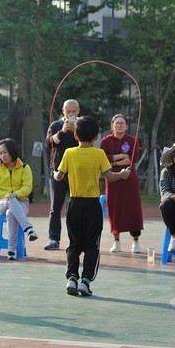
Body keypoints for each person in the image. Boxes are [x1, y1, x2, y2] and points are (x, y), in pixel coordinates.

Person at [53, 116, 130, 297]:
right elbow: (109, 177)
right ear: (96, 137)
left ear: (76, 136)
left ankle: (72, 277)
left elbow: (60, 176)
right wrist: (122, 174)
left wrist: (55, 173)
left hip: (74, 204)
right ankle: (85, 281)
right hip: (92, 205)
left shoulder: (69, 153)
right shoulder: (99, 154)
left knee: (74, 244)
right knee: (91, 245)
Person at [0, 138, 38, 260]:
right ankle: (28, 228)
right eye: (0, 153)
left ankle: (11, 250)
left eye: (5, 152)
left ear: (12, 151)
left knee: (11, 213)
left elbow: (28, 187)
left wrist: (15, 194)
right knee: (10, 201)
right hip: (0, 203)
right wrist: (8, 195)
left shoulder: (25, 168)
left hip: (22, 203)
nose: (2, 156)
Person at [100, 114, 144, 253]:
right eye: (117, 123)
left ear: (126, 126)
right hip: (112, 178)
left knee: (133, 208)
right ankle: (116, 241)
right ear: (112, 126)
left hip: (129, 179)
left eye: (122, 123)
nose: (119, 125)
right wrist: (118, 157)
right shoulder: (106, 141)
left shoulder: (132, 140)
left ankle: (135, 241)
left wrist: (112, 161)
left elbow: (131, 159)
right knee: (114, 207)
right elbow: (102, 158)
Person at [44, 99, 81, 250]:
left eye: (74, 111)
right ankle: (53, 238)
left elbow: (89, 142)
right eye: (68, 111)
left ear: (78, 111)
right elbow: (49, 143)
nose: (71, 114)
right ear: (63, 111)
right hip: (58, 172)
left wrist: (76, 131)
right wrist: (62, 132)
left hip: (77, 173)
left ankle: (77, 239)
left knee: (76, 207)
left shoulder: (82, 124)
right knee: (55, 207)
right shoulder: (55, 125)